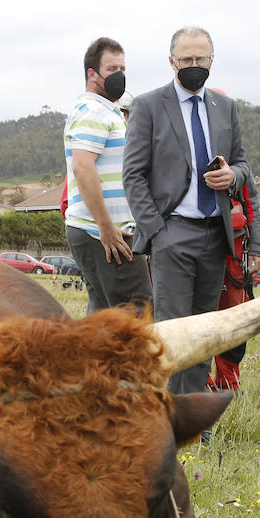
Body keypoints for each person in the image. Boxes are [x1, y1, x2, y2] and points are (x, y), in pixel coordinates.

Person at [123, 25, 260, 394]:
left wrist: (232, 175)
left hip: (216, 236)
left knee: (203, 332)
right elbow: (133, 175)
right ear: (172, 62)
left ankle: (195, 413)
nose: (194, 64)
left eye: (201, 58)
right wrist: (156, 230)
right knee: (172, 332)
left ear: (212, 60)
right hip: (173, 233)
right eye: (186, 59)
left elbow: (244, 166)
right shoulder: (149, 106)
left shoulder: (225, 107)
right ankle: (169, 415)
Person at [64, 37, 152, 313]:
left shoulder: (107, 111)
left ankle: (85, 358)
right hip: (103, 232)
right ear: (92, 74)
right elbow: (82, 166)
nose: (120, 76)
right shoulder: (92, 111)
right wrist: (105, 227)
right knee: (138, 313)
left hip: (98, 230)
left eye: (123, 69)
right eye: (112, 69)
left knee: (104, 315)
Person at [207, 180, 260, 391]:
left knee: (235, 316)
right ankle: (200, 381)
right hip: (189, 242)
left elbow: (250, 203)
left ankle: (228, 380)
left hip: (235, 249)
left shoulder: (236, 162)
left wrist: (256, 247)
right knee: (194, 313)